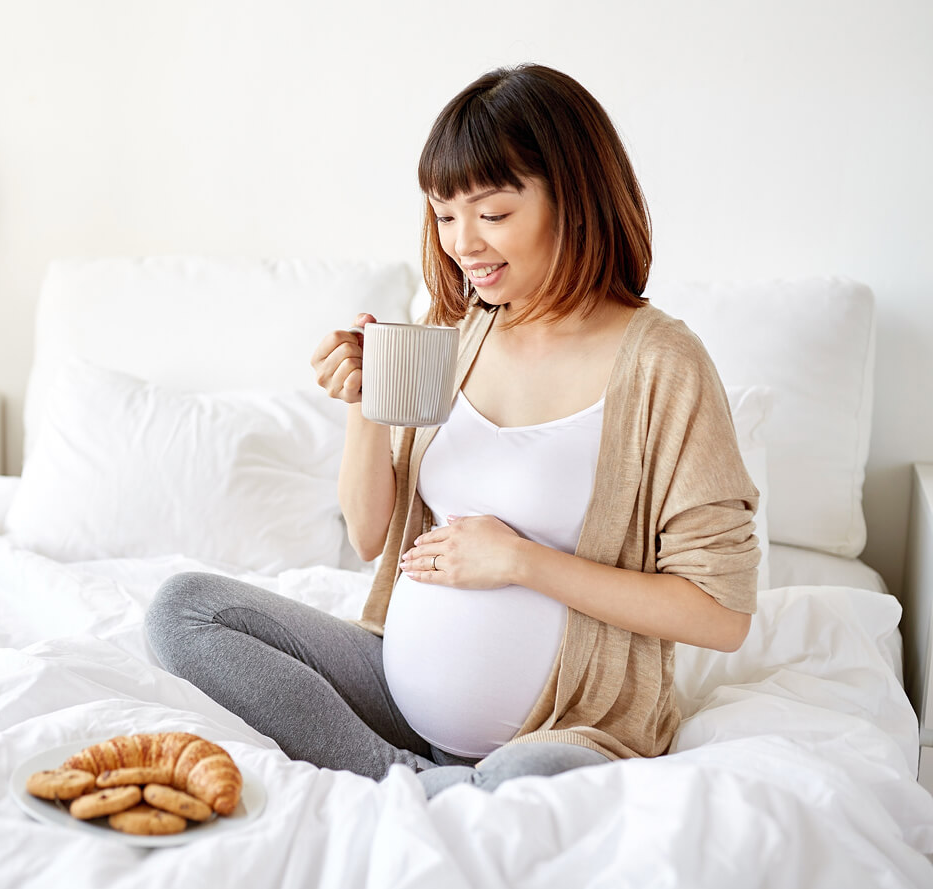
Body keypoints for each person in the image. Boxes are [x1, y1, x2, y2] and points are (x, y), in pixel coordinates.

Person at [145, 64, 759, 798]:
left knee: (525, 778)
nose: (464, 243)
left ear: (577, 199)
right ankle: (408, 782)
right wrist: (365, 406)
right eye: (443, 216)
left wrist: (522, 561)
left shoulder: (663, 363)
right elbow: (371, 534)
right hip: (398, 692)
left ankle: (439, 793)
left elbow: (721, 615)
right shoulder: (453, 334)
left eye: (492, 213)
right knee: (183, 610)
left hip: (571, 723)